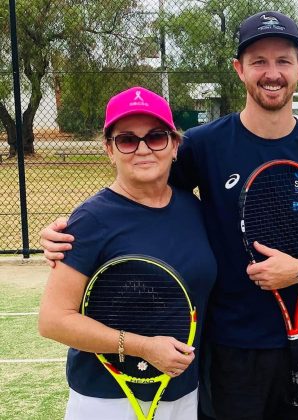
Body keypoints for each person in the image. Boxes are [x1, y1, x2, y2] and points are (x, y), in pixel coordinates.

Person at [39, 11, 298, 420]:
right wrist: (69, 230)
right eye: (258, 61)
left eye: (283, 60)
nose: (272, 73)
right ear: (239, 70)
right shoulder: (201, 145)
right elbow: (139, 191)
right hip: (227, 349)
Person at [38, 86, 217, 420]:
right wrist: (143, 347)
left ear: (175, 145)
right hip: (107, 399)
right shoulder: (90, 220)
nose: (143, 149)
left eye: (156, 137)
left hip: (183, 394)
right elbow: (53, 321)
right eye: (127, 140)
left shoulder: (194, 210)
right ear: (110, 150)